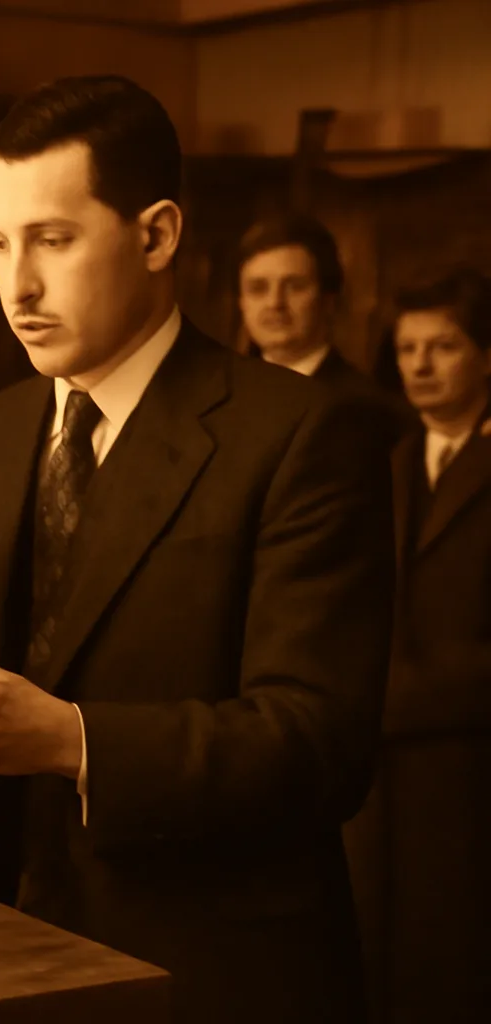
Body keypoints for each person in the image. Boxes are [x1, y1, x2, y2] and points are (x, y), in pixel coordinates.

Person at [0, 76, 394, 1024]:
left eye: (54, 238)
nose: (18, 286)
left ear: (158, 234)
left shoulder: (299, 433)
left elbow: (319, 748)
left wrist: (74, 741)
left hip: (209, 975)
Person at [350, 267, 491, 1024]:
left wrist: (389, 696)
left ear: (487, 356)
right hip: (383, 787)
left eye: (444, 346)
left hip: (470, 775)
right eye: (408, 349)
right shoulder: (389, 464)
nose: (422, 366)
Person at [237, 214, 415, 445]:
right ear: (242, 302)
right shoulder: (220, 402)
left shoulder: (369, 410)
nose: (275, 303)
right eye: (258, 289)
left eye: (294, 286)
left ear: (328, 300)